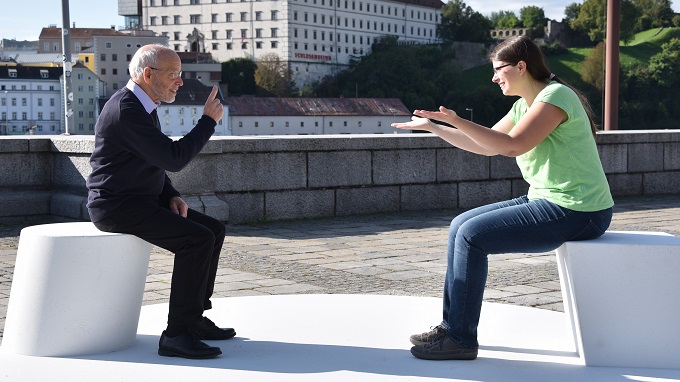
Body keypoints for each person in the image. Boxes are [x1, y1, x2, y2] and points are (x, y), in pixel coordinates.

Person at [391, 36, 614, 361]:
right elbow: (488, 146)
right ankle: (451, 325)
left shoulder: (556, 97)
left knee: (471, 236)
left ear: (521, 67)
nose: (494, 77)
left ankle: (461, 339)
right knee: (460, 225)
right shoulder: (525, 104)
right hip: (548, 199)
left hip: (580, 211)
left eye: (499, 69)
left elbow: (512, 145)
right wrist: (436, 128)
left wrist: (457, 119)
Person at [86, 44, 233, 359]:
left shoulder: (143, 107)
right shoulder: (126, 110)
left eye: (180, 75)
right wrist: (207, 122)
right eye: (174, 74)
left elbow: (153, 163)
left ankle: (193, 317)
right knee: (196, 240)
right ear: (147, 74)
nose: (180, 82)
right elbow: (173, 157)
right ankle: (176, 334)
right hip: (116, 207)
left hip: (143, 200)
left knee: (213, 230)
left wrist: (170, 195)